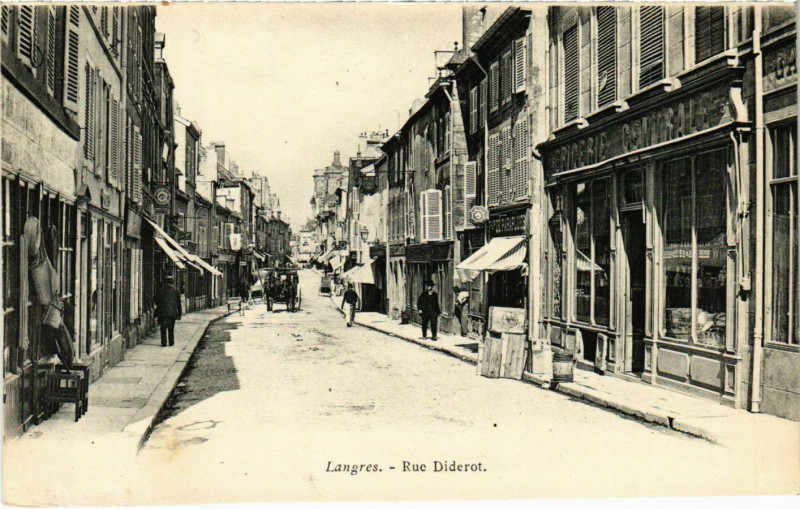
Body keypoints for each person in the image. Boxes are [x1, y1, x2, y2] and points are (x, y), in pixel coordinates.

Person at [154, 274, 182, 347]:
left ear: (164, 281)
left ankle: (164, 342)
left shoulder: (160, 290)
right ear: (172, 281)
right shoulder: (175, 290)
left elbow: (155, 299)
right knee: (171, 327)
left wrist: (160, 305)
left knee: (163, 328)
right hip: (172, 312)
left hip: (162, 312)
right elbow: (178, 303)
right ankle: (171, 342)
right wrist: (179, 313)